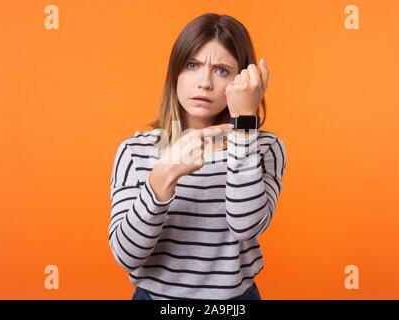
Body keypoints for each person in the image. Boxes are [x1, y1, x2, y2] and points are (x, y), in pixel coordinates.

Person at [108, 13, 286, 300]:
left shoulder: (264, 147)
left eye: (221, 71)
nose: (204, 82)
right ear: (175, 72)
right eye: (192, 65)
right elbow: (126, 256)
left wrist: (244, 123)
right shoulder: (135, 150)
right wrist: (162, 177)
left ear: (241, 81)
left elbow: (245, 225)